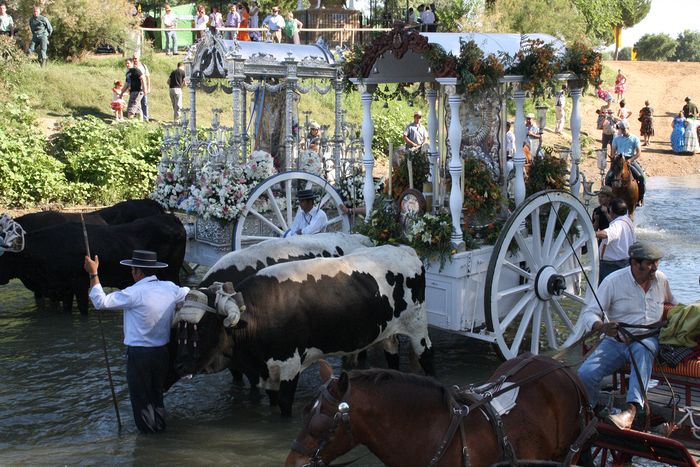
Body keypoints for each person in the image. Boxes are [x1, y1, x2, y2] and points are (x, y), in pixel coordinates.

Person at [83, 250, 189, 434]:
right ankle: (160, 431)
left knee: (141, 400)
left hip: (139, 355)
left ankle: (148, 442)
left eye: (133, 270)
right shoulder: (171, 288)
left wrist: (93, 274)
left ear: (137, 271)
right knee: (156, 397)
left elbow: (100, 302)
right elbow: (187, 293)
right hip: (162, 353)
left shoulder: (134, 293)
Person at [577, 241, 676, 430]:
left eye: (657, 262)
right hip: (615, 341)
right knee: (585, 373)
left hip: (647, 339)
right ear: (634, 263)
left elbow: (673, 305)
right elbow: (590, 313)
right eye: (650, 263)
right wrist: (602, 327)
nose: (655, 267)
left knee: (643, 348)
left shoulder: (661, 279)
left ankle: (632, 410)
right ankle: (589, 412)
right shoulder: (613, 281)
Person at [596, 198, 635, 283]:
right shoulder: (627, 220)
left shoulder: (617, 225)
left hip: (612, 265)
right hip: (625, 262)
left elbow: (606, 234)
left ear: (612, 212)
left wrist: (591, 233)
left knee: (606, 288)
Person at [609, 121, 645, 205]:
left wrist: (630, 160)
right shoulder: (616, 139)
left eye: (624, 129)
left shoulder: (635, 138)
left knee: (641, 177)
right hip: (618, 161)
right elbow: (613, 152)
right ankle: (608, 197)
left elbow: (638, 152)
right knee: (608, 178)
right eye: (621, 129)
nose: (623, 130)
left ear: (628, 128)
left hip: (630, 160)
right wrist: (613, 161)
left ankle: (640, 198)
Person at [132, 54, 151, 122]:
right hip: (134, 89)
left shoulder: (143, 66)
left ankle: (146, 118)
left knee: (144, 103)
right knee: (136, 104)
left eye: (136, 58)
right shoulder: (131, 66)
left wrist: (148, 87)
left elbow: (147, 77)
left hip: (143, 88)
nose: (134, 60)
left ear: (139, 58)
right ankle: (138, 119)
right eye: (133, 58)